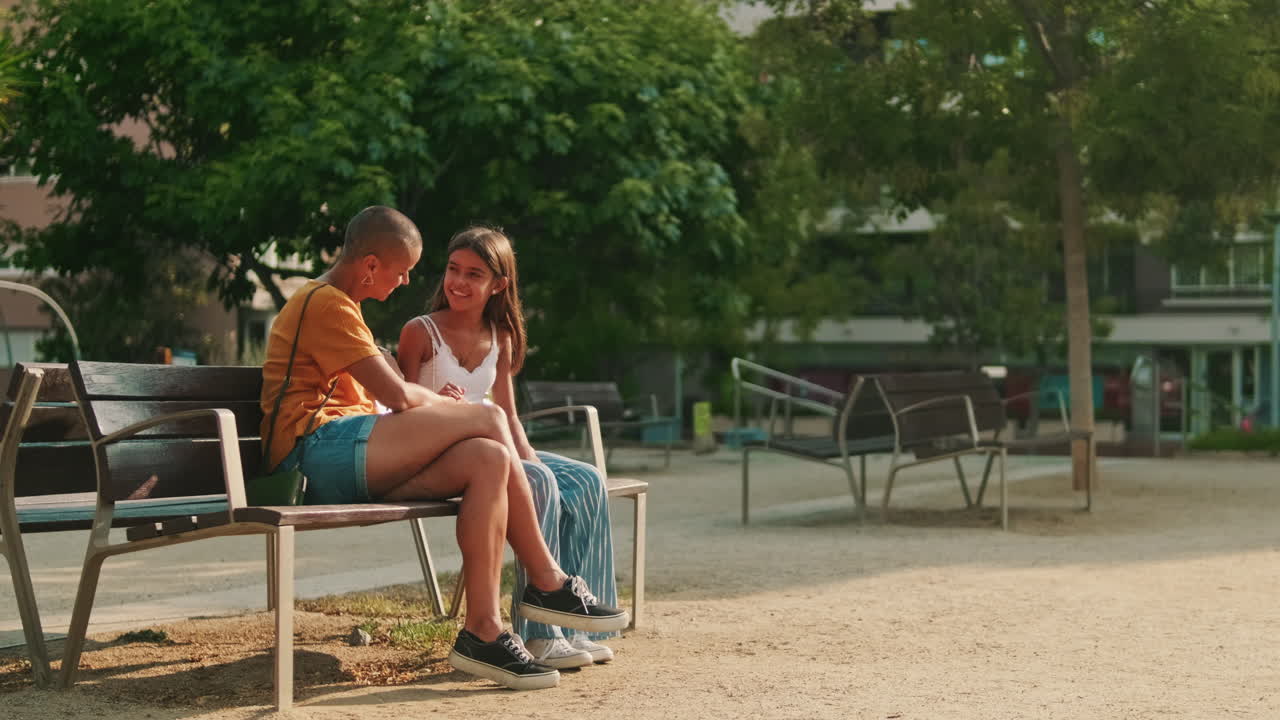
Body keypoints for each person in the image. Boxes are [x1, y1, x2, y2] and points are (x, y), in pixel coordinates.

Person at [258, 206, 628, 691]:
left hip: (351, 451)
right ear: (371, 265)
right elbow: (396, 395)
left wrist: (440, 411)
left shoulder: (344, 307)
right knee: (489, 417)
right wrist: (444, 407)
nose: (408, 279)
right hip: (312, 453)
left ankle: (482, 630)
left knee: (490, 458)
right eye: (401, 268)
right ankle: (546, 580)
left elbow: (382, 396)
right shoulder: (325, 303)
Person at [397, 226, 620, 669]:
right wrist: (444, 406)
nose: (458, 282)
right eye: (453, 270)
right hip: (443, 456)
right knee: (538, 482)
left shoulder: (500, 335)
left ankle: (575, 626)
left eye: (474, 274)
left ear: (498, 284)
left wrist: (531, 459)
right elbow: (398, 412)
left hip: (494, 444)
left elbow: (509, 414)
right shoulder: (419, 332)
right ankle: (541, 635)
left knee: (584, 479)